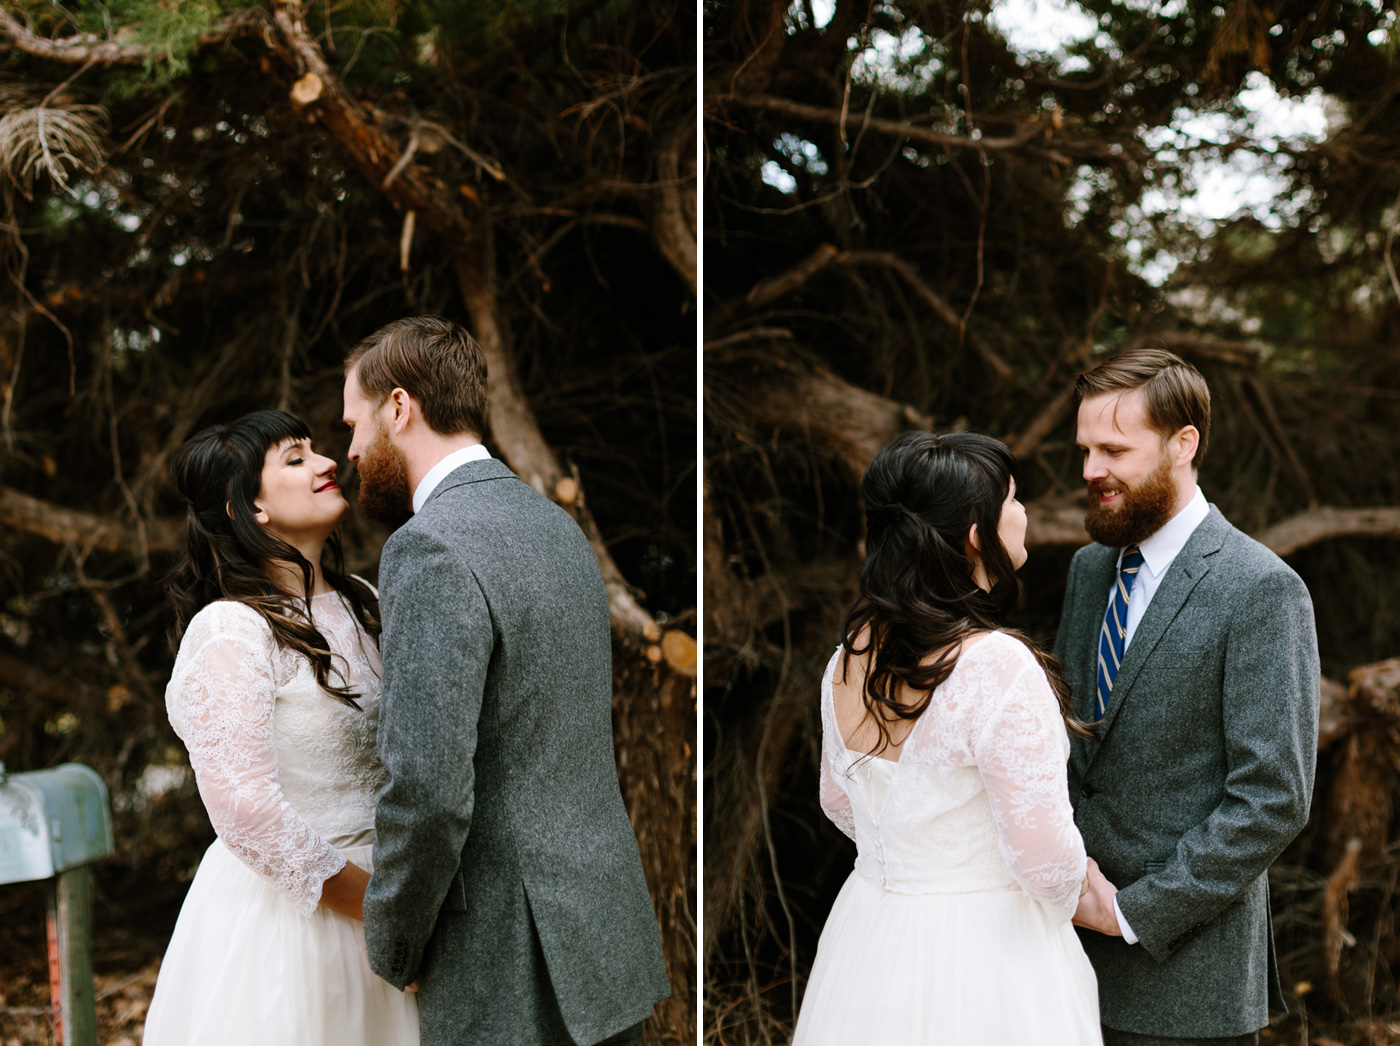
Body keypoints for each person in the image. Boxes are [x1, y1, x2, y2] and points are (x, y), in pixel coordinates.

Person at [342, 316, 670, 1046]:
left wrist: (394, 944)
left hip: (504, 954)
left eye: (354, 424)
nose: (353, 451)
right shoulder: (554, 524)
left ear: (399, 407)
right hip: (601, 933)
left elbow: (427, 786)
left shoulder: (428, 546)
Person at [792, 429, 1104, 1046]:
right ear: (973, 533)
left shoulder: (848, 661)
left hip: (871, 937)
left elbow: (837, 801)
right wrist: (1084, 885)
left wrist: (913, 859)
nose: (1023, 512)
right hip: (987, 953)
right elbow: (1045, 860)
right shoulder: (997, 667)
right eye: (1013, 498)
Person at [1055, 349, 1320, 1046]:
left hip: (1186, 987)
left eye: (1113, 448)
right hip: (1060, 969)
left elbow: (1273, 798)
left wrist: (1135, 911)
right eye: (1085, 449)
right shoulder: (1089, 570)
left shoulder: (1262, 589)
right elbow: (1073, 751)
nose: (1090, 471)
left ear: (1183, 444)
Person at [143, 409, 418, 1046]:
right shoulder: (230, 630)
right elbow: (245, 809)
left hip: (400, 885)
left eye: (317, 450)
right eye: (295, 459)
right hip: (300, 920)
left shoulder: (364, 600)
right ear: (251, 510)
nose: (327, 463)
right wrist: (380, 915)